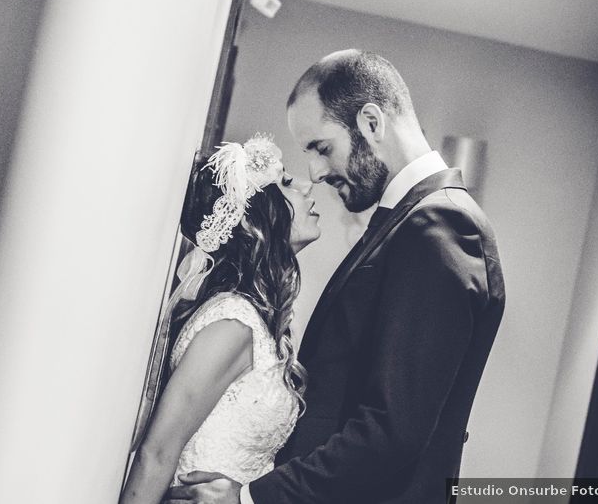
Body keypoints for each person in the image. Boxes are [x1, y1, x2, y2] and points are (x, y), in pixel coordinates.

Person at [168, 50, 505, 503]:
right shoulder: (407, 222)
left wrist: (250, 499)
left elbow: (391, 431)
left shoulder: (440, 225)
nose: (315, 173)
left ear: (371, 122)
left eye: (322, 148)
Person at [119, 134, 322, 504]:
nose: (308, 186)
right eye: (289, 183)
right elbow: (158, 453)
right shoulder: (233, 324)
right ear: (256, 218)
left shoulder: (257, 323)